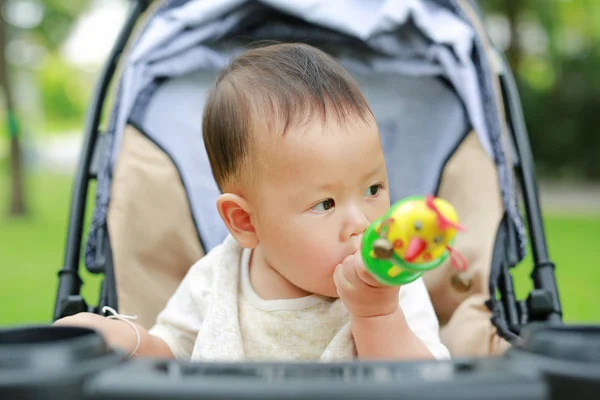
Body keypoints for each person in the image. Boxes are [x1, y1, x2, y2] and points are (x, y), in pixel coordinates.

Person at [54, 43, 450, 362]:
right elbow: (171, 359)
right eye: (325, 204)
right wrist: (125, 338)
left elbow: (423, 385)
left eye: (373, 189)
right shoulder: (215, 281)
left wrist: (377, 315)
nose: (361, 223)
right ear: (244, 221)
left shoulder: (392, 289)